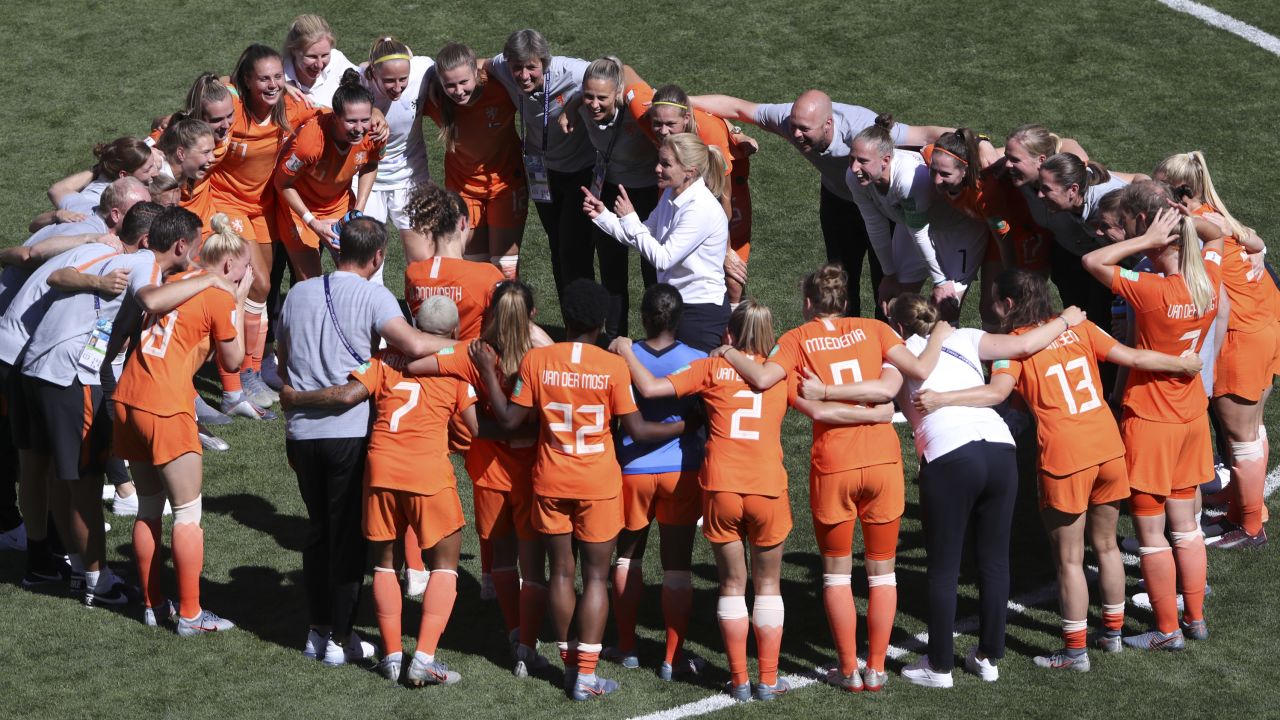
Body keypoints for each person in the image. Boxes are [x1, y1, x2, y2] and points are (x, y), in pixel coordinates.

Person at [914, 268, 1201, 672]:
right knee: (1105, 545)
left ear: (1009, 305)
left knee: (1069, 558)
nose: (991, 308)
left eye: (995, 300)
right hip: (1108, 447)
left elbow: (997, 393)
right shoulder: (1081, 329)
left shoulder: (1014, 346)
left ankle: (1074, 651)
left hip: (1066, 457)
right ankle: (1114, 633)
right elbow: (1134, 356)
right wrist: (1181, 364)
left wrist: (942, 399)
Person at [817, 293, 1083, 687]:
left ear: (899, 326)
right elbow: (1026, 343)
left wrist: (820, 394)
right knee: (994, 560)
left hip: (949, 456)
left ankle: (939, 665)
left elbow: (877, 394)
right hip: (1000, 451)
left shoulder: (897, 353)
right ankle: (989, 657)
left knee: (944, 566)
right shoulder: (968, 336)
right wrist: (1065, 319)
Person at [712, 264, 948, 692]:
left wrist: (727, 352)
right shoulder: (875, 328)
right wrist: (878, 409)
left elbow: (767, 379)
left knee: (837, 575)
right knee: (883, 575)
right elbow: (911, 373)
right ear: (843, 301)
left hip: (834, 464)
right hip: (882, 461)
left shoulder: (796, 339)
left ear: (807, 302)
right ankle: (876, 668)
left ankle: (847, 669)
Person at [475, 279, 685, 701]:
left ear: (565, 319)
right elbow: (638, 429)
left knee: (561, 573)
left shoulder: (537, 360)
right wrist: (687, 425)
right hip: (597, 483)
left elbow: (511, 420)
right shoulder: (613, 367)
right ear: (602, 322)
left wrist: (485, 373)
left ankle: (569, 666)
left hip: (550, 479)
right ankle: (585, 676)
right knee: (594, 577)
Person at [275, 216, 453, 667]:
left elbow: (280, 356)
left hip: (300, 432)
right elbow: (412, 345)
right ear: (377, 257)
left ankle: (317, 631)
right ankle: (340, 637)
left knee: (317, 530)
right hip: (347, 433)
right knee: (347, 537)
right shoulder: (374, 294)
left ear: (337, 251)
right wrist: (466, 346)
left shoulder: (297, 293)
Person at [22, 204, 216, 606]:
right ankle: (98, 579)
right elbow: (150, 300)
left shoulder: (114, 256)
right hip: (71, 375)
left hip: (38, 369)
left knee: (62, 476)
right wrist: (211, 279)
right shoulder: (146, 264)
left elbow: (61, 278)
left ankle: (79, 569)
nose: (197, 256)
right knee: (86, 482)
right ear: (180, 246)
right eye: (195, 249)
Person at [282, 296, 477, 686]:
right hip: (428, 474)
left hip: (381, 469)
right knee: (445, 566)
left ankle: (390, 657)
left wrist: (297, 399)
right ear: (453, 333)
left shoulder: (384, 360)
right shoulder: (457, 368)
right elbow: (474, 429)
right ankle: (422, 659)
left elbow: (347, 396)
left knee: (385, 565)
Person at [614, 300, 790, 702]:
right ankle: (768, 679)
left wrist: (625, 349)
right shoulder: (782, 372)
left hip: (722, 487)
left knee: (731, 585)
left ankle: (740, 680)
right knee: (767, 587)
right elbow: (814, 402)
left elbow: (652, 388)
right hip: (767, 486)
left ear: (729, 334)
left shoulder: (711, 368)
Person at [1082, 182, 1221, 649]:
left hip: (1150, 421)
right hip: (1191, 420)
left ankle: (1165, 630)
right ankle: (1195, 618)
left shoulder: (1152, 292)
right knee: (1186, 527)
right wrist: (1180, 222)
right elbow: (1218, 235)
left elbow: (1093, 262)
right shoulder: (1211, 282)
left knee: (1151, 534)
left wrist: (1145, 239)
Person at [0, 181, 149, 589]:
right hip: (35, 361)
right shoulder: (113, 255)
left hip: (22, 358)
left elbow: (42, 261)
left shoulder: (88, 241)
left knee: (36, 465)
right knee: (73, 474)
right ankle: (87, 569)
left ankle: (42, 558)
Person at [404, 280, 554, 678]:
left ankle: (514, 633)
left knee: (502, 559)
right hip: (535, 473)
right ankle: (527, 648)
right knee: (533, 565)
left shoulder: (473, 354)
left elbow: (415, 363)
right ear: (531, 316)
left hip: (488, 473)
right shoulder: (542, 356)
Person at [113, 212, 252, 633]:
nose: (246, 275)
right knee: (188, 513)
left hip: (126, 398)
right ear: (228, 267)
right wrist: (239, 300)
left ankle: (154, 606)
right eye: (244, 269)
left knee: (150, 507)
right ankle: (190, 613)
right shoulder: (217, 294)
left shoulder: (171, 280)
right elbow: (233, 361)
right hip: (166, 405)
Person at [691, 89, 950, 316]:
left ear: (828, 124)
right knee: (840, 280)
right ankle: (847, 340)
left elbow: (926, 135)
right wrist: (682, 101)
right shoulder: (789, 119)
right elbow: (738, 108)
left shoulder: (861, 129)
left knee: (886, 279)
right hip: (838, 201)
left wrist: (978, 142)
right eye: (794, 126)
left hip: (880, 205)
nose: (795, 134)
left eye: (804, 129)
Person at [1154, 151, 1274, 548]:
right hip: (1264, 325)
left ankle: (1252, 526)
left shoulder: (1195, 226)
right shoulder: (1215, 215)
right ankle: (1244, 505)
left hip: (1240, 336)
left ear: (1181, 193)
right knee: (1251, 428)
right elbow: (1254, 239)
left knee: (1240, 436)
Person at [206, 44, 321, 413]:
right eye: (263, 79)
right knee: (259, 283)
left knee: (260, 289)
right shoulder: (232, 109)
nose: (272, 85)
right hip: (227, 203)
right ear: (247, 82)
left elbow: (330, 118)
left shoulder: (292, 104)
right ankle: (243, 373)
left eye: (277, 77)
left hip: (264, 207)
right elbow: (195, 114)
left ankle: (251, 370)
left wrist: (376, 121)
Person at [601, 284, 706, 679]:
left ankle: (626, 647)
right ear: (679, 321)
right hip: (682, 471)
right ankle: (672, 658)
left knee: (627, 557)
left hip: (630, 471)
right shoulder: (698, 360)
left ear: (643, 318)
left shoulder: (620, 359)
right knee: (677, 567)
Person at [620, 70, 756, 306]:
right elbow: (622, 68)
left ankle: (735, 333)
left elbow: (724, 201)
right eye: (657, 123)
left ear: (687, 118)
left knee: (732, 282)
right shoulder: (644, 112)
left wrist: (725, 253)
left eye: (671, 124)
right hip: (673, 201)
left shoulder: (709, 135)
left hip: (724, 206)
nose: (663, 131)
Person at [584, 133, 729, 351]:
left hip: (699, 312)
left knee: (691, 380)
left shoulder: (700, 208)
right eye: (659, 161)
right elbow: (642, 235)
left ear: (690, 171)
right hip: (674, 306)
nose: (657, 169)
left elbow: (663, 259)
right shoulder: (671, 195)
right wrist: (604, 216)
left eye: (666, 164)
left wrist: (630, 218)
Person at [487, 29, 595, 299]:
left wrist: (575, 103)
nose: (524, 76)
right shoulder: (502, 65)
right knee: (558, 248)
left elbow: (617, 71)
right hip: (541, 174)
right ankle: (573, 324)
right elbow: (478, 65)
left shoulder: (571, 72)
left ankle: (587, 325)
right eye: (517, 68)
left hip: (580, 173)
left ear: (544, 63)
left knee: (573, 250)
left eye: (531, 68)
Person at [848, 116, 978, 318]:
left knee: (946, 307)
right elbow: (874, 224)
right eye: (852, 158)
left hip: (956, 230)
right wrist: (889, 274)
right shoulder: (854, 177)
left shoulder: (908, 178)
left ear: (886, 160)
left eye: (863, 161)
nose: (854, 168)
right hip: (912, 227)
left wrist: (941, 282)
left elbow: (919, 232)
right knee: (899, 304)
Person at [570, 56, 661, 336]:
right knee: (611, 271)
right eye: (588, 96)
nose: (594, 104)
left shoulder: (639, 111)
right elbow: (577, 100)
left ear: (618, 94)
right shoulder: (581, 106)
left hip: (647, 195)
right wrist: (570, 111)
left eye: (602, 98)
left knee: (653, 269)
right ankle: (615, 339)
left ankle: (658, 338)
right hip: (608, 190)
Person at [424, 42, 528, 279]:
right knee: (475, 269)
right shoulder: (435, 99)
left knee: (506, 270)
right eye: (450, 84)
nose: (458, 91)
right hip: (463, 193)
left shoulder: (499, 88)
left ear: (477, 73)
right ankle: (480, 317)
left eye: (463, 82)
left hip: (506, 188)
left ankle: (511, 317)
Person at [275, 70, 384, 280]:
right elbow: (282, 183)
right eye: (351, 121)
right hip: (300, 209)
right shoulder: (309, 143)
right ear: (334, 117)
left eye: (365, 120)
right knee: (310, 279)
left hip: (339, 205)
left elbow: (370, 162)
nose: (359, 129)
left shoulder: (375, 133)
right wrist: (312, 221)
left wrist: (358, 210)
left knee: (357, 276)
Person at [360, 36, 434, 264]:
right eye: (389, 80)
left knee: (422, 259)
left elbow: (460, 64)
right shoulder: (358, 80)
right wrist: (370, 107)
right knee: (368, 259)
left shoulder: (423, 69)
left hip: (411, 177)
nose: (398, 86)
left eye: (403, 79)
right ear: (373, 73)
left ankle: (420, 302)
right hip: (368, 181)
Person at [282, 14, 358, 107]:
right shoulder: (277, 76)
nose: (320, 65)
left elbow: (368, 77)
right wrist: (279, 88)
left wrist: (375, 110)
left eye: (325, 55)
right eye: (312, 56)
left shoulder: (336, 60)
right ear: (294, 50)